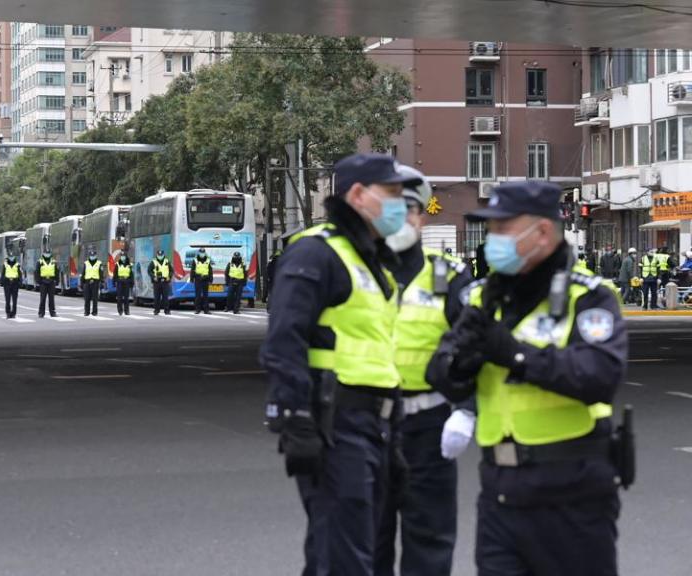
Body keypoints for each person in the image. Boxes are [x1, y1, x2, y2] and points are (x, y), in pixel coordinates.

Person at [425, 181, 627, 576]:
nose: (493, 240)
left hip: (572, 493)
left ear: (543, 232)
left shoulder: (588, 296)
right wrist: (460, 365)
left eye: (503, 229)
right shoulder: (486, 297)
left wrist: (515, 355)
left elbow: (599, 376)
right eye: (491, 230)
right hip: (501, 492)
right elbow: (442, 372)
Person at [260, 153, 421, 575]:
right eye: (391, 194)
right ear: (357, 195)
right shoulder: (316, 253)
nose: (400, 205)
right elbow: (284, 340)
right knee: (345, 559)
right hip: (335, 427)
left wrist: (395, 439)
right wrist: (295, 418)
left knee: (346, 553)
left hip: (375, 428)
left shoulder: (371, 261)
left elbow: (379, 356)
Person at [375, 166, 474, 576]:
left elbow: (473, 345)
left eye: (409, 209)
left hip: (429, 429)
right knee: (364, 543)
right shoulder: (349, 272)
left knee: (430, 545)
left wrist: (466, 409)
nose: (400, 218)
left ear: (423, 216)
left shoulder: (448, 276)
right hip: (364, 425)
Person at [81, 249, 104, 316]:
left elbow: (101, 274)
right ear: (89, 256)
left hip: (95, 282)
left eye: (93, 255)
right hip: (87, 282)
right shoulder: (86, 263)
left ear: (96, 256)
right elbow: (83, 273)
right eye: (91, 255)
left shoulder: (99, 263)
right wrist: (82, 283)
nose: (92, 256)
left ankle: (94, 312)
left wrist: (102, 282)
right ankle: (86, 312)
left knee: (95, 298)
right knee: (87, 298)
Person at [148, 249, 172, 315]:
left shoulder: (167, 261)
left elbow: (171, 271)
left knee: (165, 297)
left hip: (165, 282)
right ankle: (156, 310)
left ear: (163, 255)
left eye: (161, 255)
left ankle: (167, 311)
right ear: (157, 255)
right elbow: (149, 271)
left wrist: (169, 277)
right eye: (159, 255)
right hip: (157, 282)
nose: (160, 256)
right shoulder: (153, 262)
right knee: (157, 297)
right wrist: (153, 277)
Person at [36, 250, 58, 318]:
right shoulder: (40, 262)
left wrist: (56, 281)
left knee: (51, 298)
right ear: (43, 254)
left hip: (51, 281)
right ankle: (41, 313)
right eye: (46, 253)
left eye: (48, 253)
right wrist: (39, 281)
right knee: (43, 298)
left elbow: (57, 272)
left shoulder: (54, 262)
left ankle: (52, 312)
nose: (47, 255)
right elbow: (37, 272)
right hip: (43, 281)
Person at [191, 248, 213, 314]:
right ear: (199, 253)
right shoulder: (195, 260)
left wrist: (210, 278)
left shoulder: (208, 260)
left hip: (205, 279)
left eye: (203, 252)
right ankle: (197, 309)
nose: (202, 254)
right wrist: (192, 278)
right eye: (201, 252)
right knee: (198, 295)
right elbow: (192, 269)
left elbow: (210, 270)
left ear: (205, 253)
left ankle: (206, 310)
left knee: (205, 295)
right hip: (198, 279)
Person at [1, 254, 22, 318]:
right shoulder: (5, 264)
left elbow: (20, 274)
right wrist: (3, 282)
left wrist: (19, 283)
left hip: (15, 283)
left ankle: (13, 314)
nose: (11, 258)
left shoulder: (17, 265)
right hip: (7, 283)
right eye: (10, 257)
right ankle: (8, 313)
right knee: (7, 300)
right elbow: (3, 274)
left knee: (14, 300)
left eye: (12, 257)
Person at [114, 251, 134, 315]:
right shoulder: (117, 264)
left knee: (126, 297)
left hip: (127, 281)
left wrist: (131, 282)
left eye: (124, 256)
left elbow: (131, 275)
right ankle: (120, 310)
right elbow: (115, 274)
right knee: (119, 297)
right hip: (120, 281)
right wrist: (115, 281)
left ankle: (127, 311)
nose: (123, 257)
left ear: (126, 257)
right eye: (121, 256)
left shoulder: (129, 265)